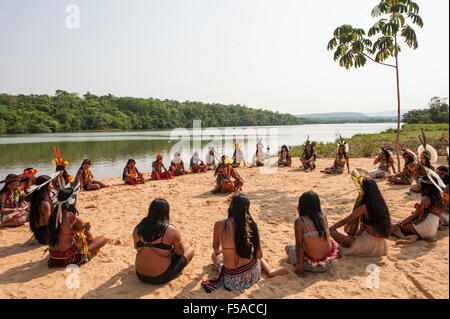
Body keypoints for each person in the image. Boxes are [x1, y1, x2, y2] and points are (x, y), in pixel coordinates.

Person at [202, 194, 288, 292]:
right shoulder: (251, 225)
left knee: (214, 256)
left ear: (231, 207)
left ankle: (224, 263)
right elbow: (259, 256)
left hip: (230, 277)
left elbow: (215, 248)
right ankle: (269, 269)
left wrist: (221, 254)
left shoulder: (219, 225)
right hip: (250, 274)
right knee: (252, 250)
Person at [133, 198, 194, 284]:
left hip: (140, 275)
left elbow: (136, 247)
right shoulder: (170, 230)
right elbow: (181, 253)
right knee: (190, 250)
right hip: (160, 276)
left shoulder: (138, 228)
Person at [329, 176, 391, 256]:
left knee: (333, 232)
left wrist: (329, 229)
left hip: (367, 244)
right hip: (380, 243)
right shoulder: (381, 204)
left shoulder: (364, 207)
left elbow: (343, 221)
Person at [47, 187, 108, 268]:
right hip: (68, 259)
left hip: (53, 258)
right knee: (104, 238)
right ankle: (89, 251)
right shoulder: (72, 217)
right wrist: (85, 227)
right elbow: (90, 236)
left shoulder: (52, 216)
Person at [285, 192, 339, 276]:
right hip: (328, 263)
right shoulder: (323, 217)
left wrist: (299, 269)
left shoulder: (300, 221)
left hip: (312, 266)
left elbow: (299, 247)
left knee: (288, 248)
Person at [391, 174, 445, 245]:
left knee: (392, 226)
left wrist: (399, 223)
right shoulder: (439, 198)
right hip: (433, 229)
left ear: (426, 187)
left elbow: (414, 216)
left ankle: (404, 238)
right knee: (398, 222)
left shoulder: (426, 199)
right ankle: (416, 236)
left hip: (425, 228)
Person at [28, 174, 59, 245]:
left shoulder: (37, 197)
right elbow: (49, 222)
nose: (52, 186)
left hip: (39, 232)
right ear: (46, 186)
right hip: (44, 236)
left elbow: (53, 192)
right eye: (51, 184)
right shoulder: (44, 203)